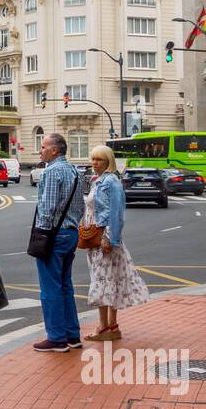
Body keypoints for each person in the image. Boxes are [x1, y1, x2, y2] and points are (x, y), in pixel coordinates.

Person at [83, 145, 149, 341]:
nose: (94, 163)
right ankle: (111, 327)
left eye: (99, 160)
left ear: (108, 161)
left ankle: (105, 328)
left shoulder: (111, 182)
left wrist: (109, 238)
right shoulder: (99, 180)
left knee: (103, 282)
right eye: (93, 159)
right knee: (108, 282)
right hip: (96, 238)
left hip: (104, 239)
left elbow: (117, 214)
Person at [32, 132, 83, 353]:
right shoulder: (75, 171)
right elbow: (80, 205)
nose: (40, 150)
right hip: (71, 232)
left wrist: (41, 233)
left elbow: (48, 207)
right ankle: (72, 335)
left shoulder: (51, 172)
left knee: (50, 288)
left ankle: (56, 337)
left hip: (54, 234)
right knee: (65, 286)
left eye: (43, 147)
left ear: (54, 150)